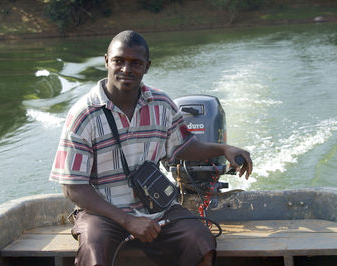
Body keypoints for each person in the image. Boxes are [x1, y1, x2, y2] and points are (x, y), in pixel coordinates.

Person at [49, 30, 253, 266]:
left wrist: (223, 148)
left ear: (147, 66)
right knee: (95, 249)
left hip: (156, 208)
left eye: (135, 63)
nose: (126, 69)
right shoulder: (83, 115)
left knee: (201, 240)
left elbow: (184, 147)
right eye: (119, 61)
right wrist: (128, 221)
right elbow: (73, 188)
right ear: (106, 61)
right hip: (102, 214)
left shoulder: (161, 104)